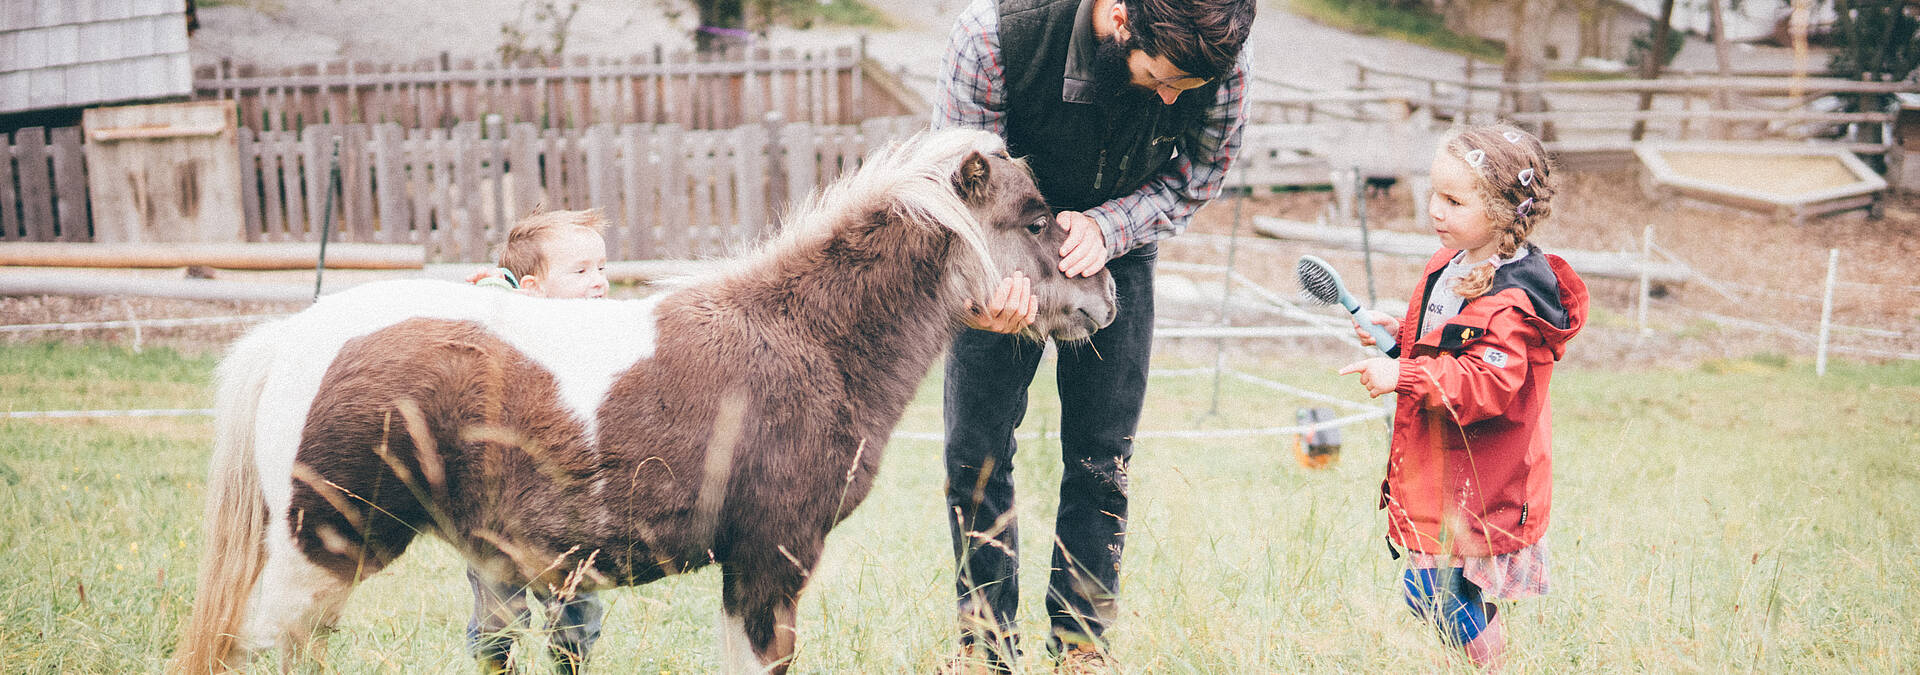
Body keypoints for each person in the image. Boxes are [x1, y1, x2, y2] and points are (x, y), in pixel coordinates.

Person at [931, 0, 1255, 670]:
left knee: (1101, 459)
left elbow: (1199, 176)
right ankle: (984, 645)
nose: (1172, 98)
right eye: (1161, 78)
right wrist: (981, 294)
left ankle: (1080, 647)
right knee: (975, 452)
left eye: (1183, 91)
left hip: (1118, 250)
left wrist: (1111, 226)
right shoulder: (991, 38)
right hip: (1003, 253)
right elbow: (958, 189)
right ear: (1116, 19)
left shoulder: (1215, 63)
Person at [1337, 124, 1588, 669]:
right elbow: (1448, 338)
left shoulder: (1513, 299)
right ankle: (1480, 663)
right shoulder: (1450, 264)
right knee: (1435, 593)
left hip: (1486, 473)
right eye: (1433, 194)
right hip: (1447, 465)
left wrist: (1402, 375)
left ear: (1502, 211)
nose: (1436, 210)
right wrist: (1400, 336)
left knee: (1437, 593)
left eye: (1453, 200)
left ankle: (1494, 666)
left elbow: (1485, 383)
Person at [463, 209, 609, 673]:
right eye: (582, 271)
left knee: (577, 608)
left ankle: (569, 665)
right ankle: (495, 666)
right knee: (496, 611)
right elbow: (483, 309)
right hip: (497, 506)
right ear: (531, 290)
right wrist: (495, 290)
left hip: (573, 508)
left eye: (603, 268)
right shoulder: (512, 326)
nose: (599, 281)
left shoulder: (600, 334)